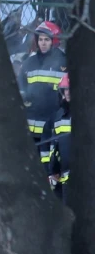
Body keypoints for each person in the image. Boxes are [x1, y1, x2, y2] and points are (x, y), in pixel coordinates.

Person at [19, 21, 66, 158]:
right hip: (30, 124)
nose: (43, 43)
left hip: (51, 125)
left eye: (46, 40)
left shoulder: (63, 62)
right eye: (40, 39)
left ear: (54, 41)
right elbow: (21, 86)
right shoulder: (29, 62)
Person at [45, 73, 73, 202]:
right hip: (65, 178)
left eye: (71, 89)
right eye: (66, 89)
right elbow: (54, 146)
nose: (68, 92)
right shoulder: (58, 117)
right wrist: (53, 169)